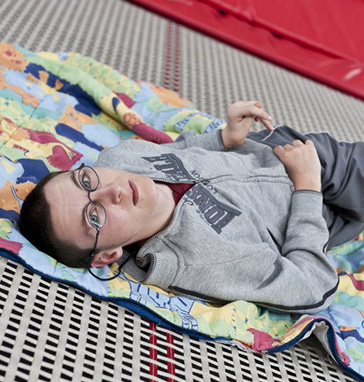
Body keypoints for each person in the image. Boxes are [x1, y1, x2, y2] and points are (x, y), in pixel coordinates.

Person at [19, 101, 364, 314]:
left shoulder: (119, 158)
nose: (112, 191)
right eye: (94, 216)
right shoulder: (196, 260)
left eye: (85, 181)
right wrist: (307, 186)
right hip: (315, 205)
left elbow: (181, 149)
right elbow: (312, 287)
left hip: (274, 148)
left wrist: (225, 137)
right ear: (107, 255)